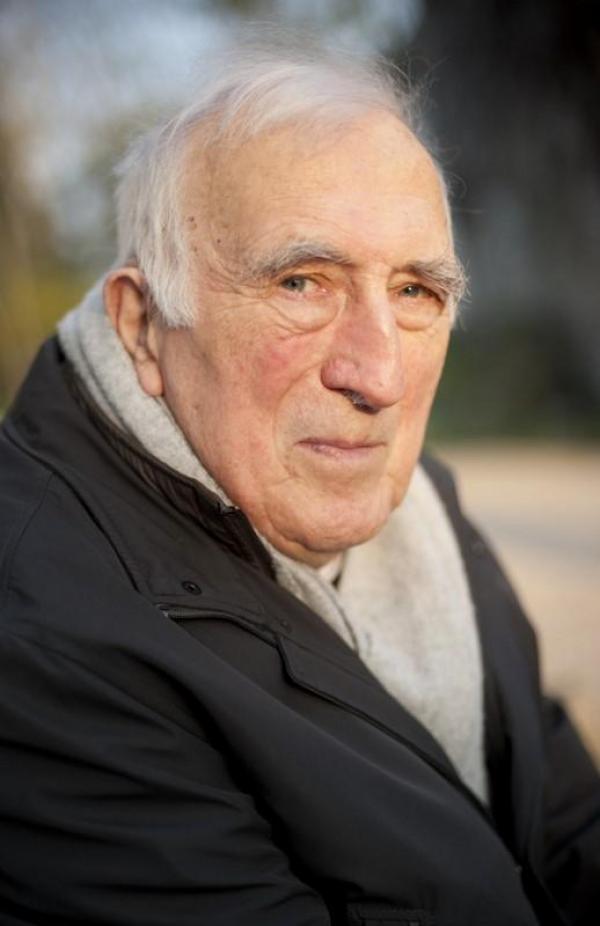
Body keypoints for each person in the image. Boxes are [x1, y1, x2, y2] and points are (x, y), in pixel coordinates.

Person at [0, 33, 598, 926]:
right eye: (302, 283)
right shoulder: (44, 639)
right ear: (142, 325)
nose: (379, 377)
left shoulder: (422, 507)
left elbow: (565, 820)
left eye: (416, 292)